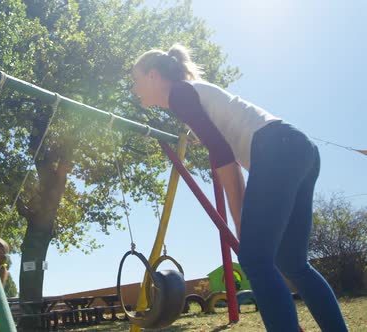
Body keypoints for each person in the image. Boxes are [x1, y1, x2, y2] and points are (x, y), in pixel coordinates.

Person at [130, 44, 347, 332]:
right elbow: (224, 137)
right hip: (301, 149)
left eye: (136, 80)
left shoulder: (180, 94)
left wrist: (240, 221)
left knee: (255, 259)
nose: (135, 88)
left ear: (154, 75)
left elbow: (224, 158)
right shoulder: (192, 93)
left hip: (277, 150)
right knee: (293, 264)